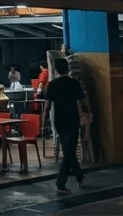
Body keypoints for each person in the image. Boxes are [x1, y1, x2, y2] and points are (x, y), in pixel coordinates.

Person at [43, 58, 89, 195]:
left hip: (59, 121)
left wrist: (43, 125)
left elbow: (47, 107)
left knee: (69, 151)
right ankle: (60, 183)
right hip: (73, 120)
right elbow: (83, 101)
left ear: (55, 70)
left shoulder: (52, 85)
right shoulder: (74, 83)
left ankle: (80, 177)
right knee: (69, 152)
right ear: (68, 68)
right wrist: (88, 112)